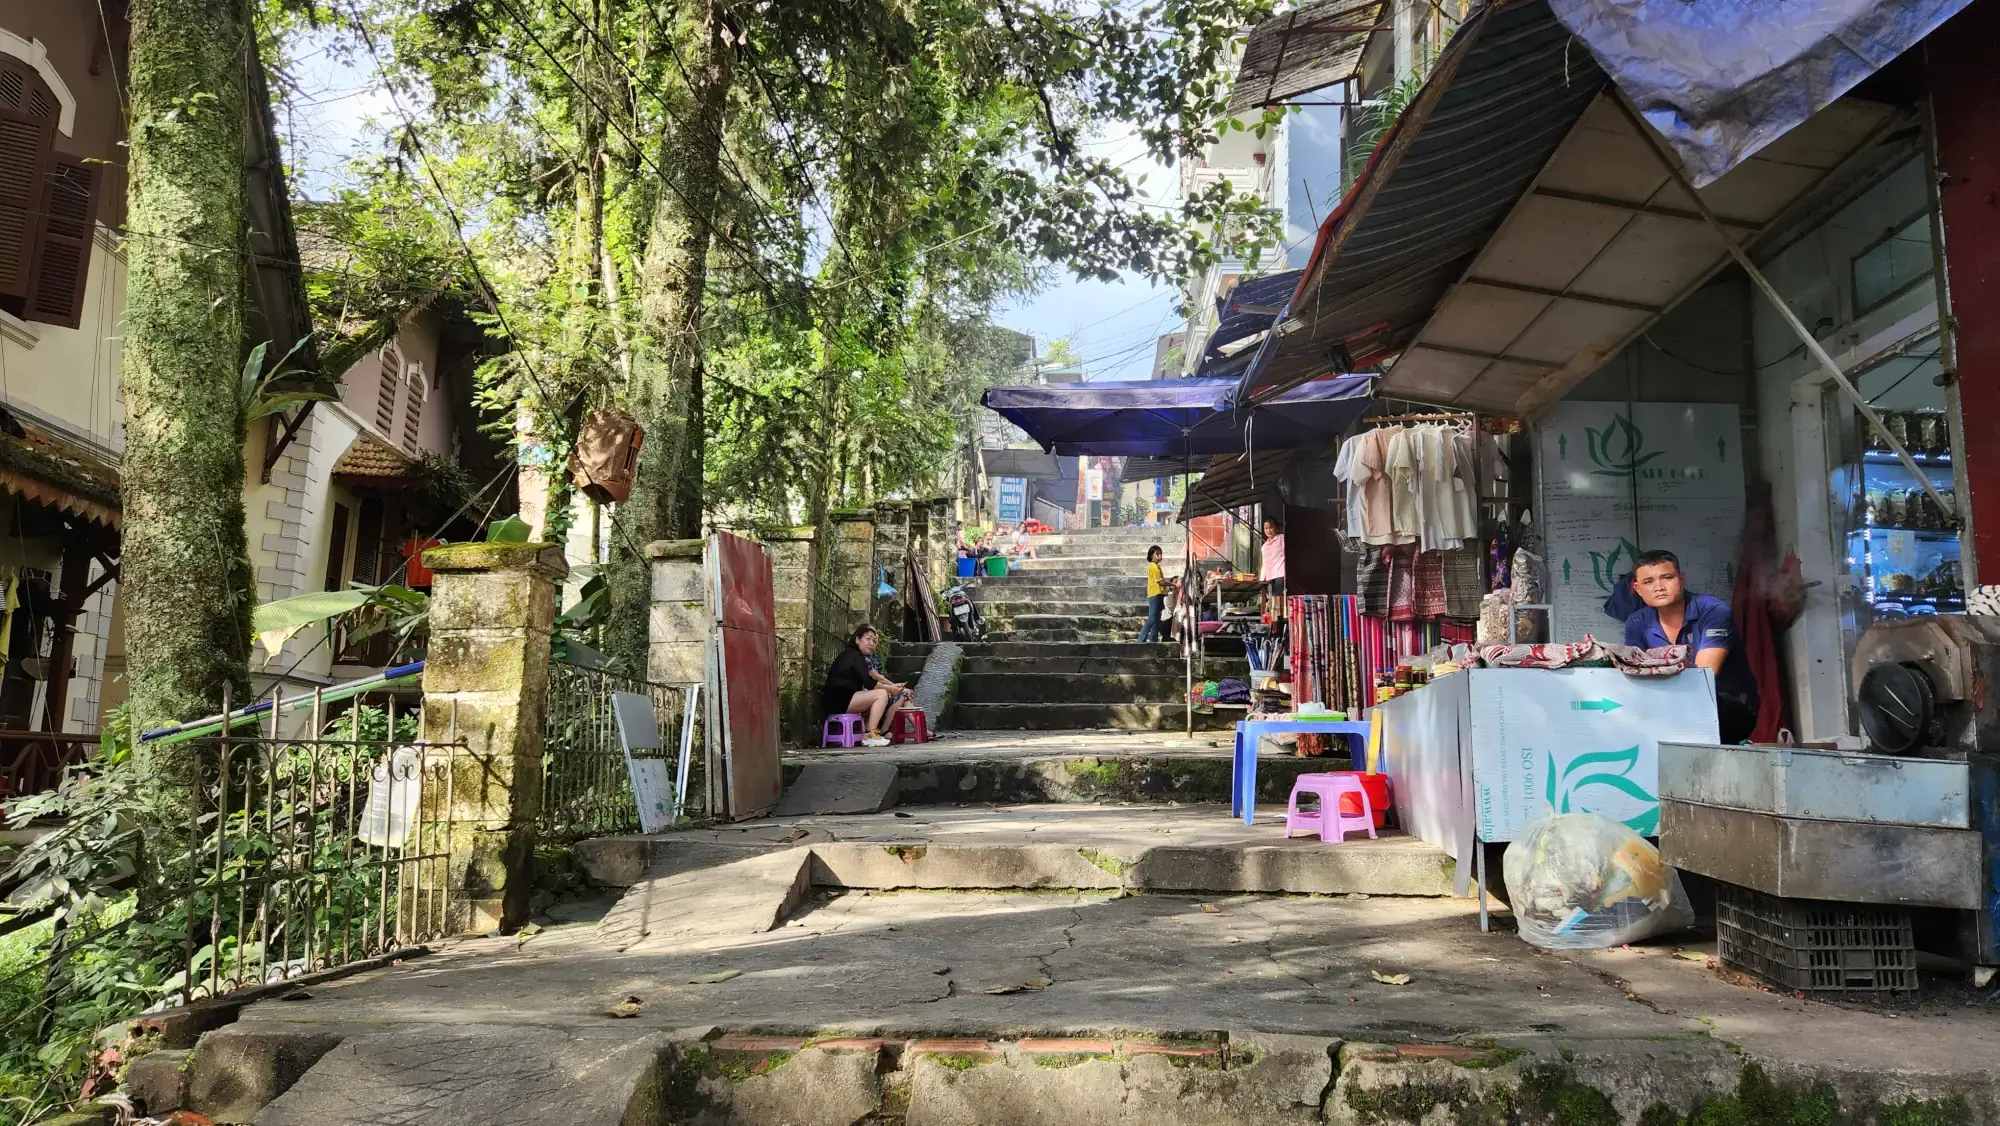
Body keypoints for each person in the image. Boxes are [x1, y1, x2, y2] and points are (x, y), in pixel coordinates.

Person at [1623, 549, 1760, 744]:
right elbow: (1637, 675)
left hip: (1728, 707)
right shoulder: (1636, 622)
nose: (1659, 587)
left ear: (1681, 579)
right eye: (1648, 582)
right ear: (1637, 589)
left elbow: (1704, 676)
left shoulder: (1714, 611)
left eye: (1667, 578)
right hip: (1671, 708)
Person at [820, 624, 913, 747]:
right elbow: (870, 683)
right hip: (839, 701)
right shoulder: (854, 656)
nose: (871, 643)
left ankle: (866, 733)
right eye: (868, 639)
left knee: (876, 696)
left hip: (840, 700)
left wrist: (892, 687)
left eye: (874, 640)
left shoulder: (853, 655)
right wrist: (890, 689)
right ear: (857, 640)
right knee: (881, 694)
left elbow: (870, 681)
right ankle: (870, 734)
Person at [1138, 545, 1167, 643]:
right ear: (1151, 556)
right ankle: (1140, 640)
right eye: (1157, 554)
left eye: (1160, 554)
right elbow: (1160, 582)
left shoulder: (1157, 566)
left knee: (1157, 619)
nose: (1160, 556)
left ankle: (1153, 640)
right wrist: (1173, 584)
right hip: (1154, 594)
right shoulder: (1153, 566)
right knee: (1152, 618)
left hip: (1159, 594)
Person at [1261, 517, 1286, 602]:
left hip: (1281, 576)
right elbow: (1264, 565)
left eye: (1271, 527)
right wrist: (1261, 582)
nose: (1268, 530)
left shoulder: (1281, 538)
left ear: (1276, 528)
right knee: (1273, 603)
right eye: (1266, 528)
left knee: (1281, 602)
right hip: (1270, 579)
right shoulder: (1264, 547)